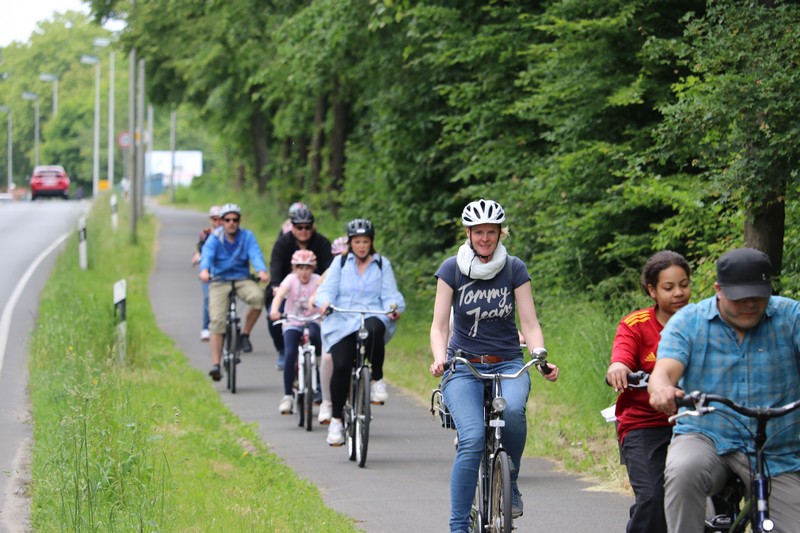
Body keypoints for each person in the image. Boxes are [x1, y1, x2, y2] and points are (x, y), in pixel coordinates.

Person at [429, 199, 559, 533]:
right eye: (479, 232)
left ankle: (510, 481)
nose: (485, 238)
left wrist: (540, 355)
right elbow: (439, 326)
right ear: (468, 233)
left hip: (508, 362)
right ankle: (459, 526)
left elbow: (529, 323)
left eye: (491, 232)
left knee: (513, 412)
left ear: (501, 233)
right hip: (463, 365)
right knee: (472, 438)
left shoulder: (514, 268)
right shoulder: (451, 269)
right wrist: (440, 357)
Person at [648, 248, 800, 531]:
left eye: (758, 296)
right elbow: (664, 371)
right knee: (683, 471)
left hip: (777, 451)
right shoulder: (689, 321)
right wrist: (662, 390)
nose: (750, 304)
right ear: (719, 290)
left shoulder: (791, 317)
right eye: (740, 297)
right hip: (707, 436)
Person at [605, 251, 691, 533]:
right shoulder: (636, 324)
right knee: (653, 498)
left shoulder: (702, 320)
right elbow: (621, 357)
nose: (678, 293)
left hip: (697, 421)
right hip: (644, 423)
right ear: (652, 290)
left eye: (684, 285)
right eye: (669, 287)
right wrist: (618, 368)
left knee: (725, 495)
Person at [315, 219, 405, 446]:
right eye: (357, 242)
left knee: (375, 328)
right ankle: (336, 420)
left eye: (365, 241)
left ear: (371, 242)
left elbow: (391, 294)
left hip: (371, 313)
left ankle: (376, 379)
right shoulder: (340, 262)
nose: (361, 246)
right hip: (343, 318)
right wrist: (325, 303)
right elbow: (326, 290)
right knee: (341, 365)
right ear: (350, 243)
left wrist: (393, 308)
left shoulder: (382, 264)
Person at [199, 203, 269, 381]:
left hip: (242, 278)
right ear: (222, 221)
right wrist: (205, 270)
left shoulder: (247, 236)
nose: (231, 223)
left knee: (258, 298)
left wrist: (261, 270)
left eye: (235, 220)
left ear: (239, 221)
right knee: (217, 321)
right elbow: (207, 255)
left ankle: (244, 334)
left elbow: (255, 254)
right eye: (227, 220)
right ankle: (216, 364)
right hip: (219, 280)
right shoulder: (215, 238)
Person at [267, 205, 334, 370]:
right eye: (299, 227)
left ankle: (323, 353)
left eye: (307, 227)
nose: (303, 231)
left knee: (330, 315)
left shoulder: (323, 243)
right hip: (287, 290)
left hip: (316, 291)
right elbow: (275, 266)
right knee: (273, 314)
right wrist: (276, 286)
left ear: (313, 227)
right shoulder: (282, 243)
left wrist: (326, 291)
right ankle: (283, 350)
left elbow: (330, 269)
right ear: (292, 227)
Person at [269, 250, 323, 415]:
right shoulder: (290, 279)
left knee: (317, 341)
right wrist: (274, 311)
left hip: (313, 319)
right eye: (300, 267)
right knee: (290, 353)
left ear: (313, 268)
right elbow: (280, 295)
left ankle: (319, 383)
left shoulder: (317, 280)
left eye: (307, 268)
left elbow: (324, 297)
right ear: (294, 268)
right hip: (292, 320)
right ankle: (287, 396)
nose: (304, 272)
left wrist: (324, 310)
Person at [313, 235, 349, 424]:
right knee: (328, 358)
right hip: (333, 322)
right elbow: (318, 295)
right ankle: (327, 401)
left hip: (353, 321)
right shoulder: (330, 272)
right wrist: (322, 303)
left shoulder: (365, 269)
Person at [192, 205, 223, 342]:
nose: (218, 222)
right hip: (208, 270)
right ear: (211, 220)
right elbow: (199, 250)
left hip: (223, 270)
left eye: (220, 219)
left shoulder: (229, 234)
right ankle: (206, 327)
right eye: (215, 219)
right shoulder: (205, 234)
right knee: (208, 298)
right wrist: (197, 257)